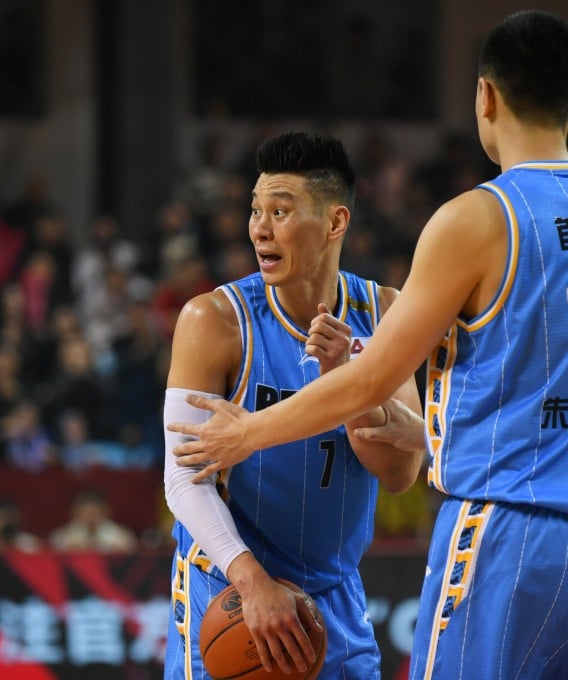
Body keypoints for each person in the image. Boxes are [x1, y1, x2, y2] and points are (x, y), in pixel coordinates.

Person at [169, 12, 568, 679]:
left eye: (280, 210)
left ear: (484, 97)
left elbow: (377, 389)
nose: (261, 226)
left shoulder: (477, 217)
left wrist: (249, 431)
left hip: (508, 526)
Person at [162, 131, 425, 679]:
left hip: (333, 596)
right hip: (230, 587)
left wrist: (349, 384)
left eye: (281, 211)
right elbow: (184, 479)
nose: (260, 227)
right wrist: (252, 584)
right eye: (256, 210)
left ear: (335, 223)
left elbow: (401, 472)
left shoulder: (386, 313)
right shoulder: (213, 321)